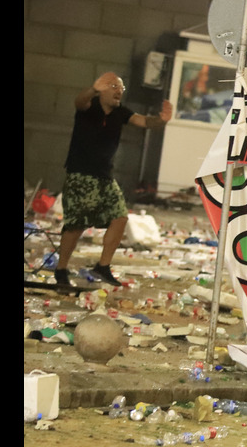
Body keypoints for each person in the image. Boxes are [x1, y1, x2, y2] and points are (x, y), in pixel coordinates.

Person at [54, 72, 172, 287]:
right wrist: (93, 89)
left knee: (120, 217)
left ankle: (103, 266)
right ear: (102, 90)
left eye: (121, 88)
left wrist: (162, 120)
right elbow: (79, 102)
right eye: (114, 86)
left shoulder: (120, 113)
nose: (119, 91)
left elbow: (143, 121)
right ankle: (61, 269)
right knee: (76, 225)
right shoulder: (89, 108)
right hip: (80, 175)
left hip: (105, 177)